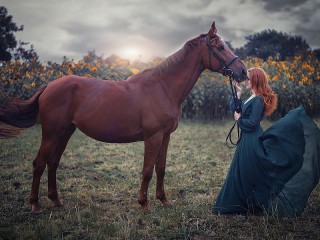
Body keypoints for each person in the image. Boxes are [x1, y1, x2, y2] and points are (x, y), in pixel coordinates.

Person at [213, 67, 320, 217]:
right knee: (243, 170)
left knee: (246, 170)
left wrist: (239, 119)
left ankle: (244, 203)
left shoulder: (258, 100)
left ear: (256, 80)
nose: (246, 81)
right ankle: (243, 203)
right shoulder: (252, 97)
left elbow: (252, 123)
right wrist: (237, 93)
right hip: (246, 139)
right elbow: (235, 108)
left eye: (249, 78)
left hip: (251, 139)